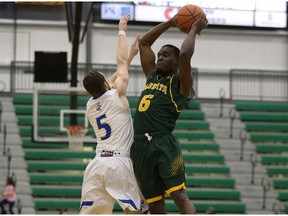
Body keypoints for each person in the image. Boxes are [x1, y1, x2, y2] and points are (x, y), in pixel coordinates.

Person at [130, 13, 208, 214]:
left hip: (163, 144)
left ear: (176, 63)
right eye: (159, 55)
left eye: (165, 55)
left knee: (179, 196)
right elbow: (144, 44)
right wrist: (171, 22)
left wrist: (192, 29)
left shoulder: (181, 84)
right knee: (155, 204)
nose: (160, 57)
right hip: (139, 147)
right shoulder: (152, 76)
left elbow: (184, 54)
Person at [79, 14, 147, 214]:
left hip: (97, 164)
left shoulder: (91, 104)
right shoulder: (117, 96)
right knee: (137, 211)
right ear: (105, 84)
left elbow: (112, 77)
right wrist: (122, 31)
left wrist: (130, 59)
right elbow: (120, 67)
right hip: (119, 163)